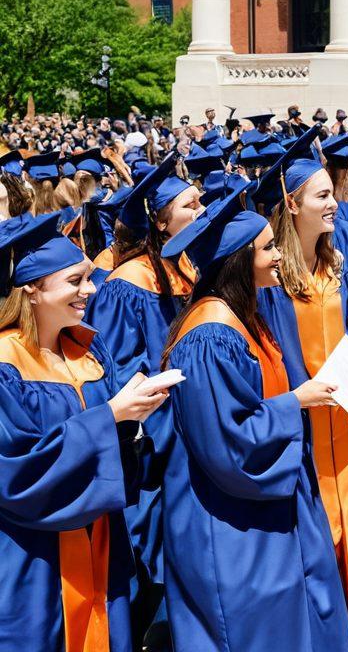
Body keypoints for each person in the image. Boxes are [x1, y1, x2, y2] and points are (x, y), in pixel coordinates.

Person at [159, 189, 348, 651]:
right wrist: (294, 403)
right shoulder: (209, 337)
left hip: (265, 498)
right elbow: (227, 441)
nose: (280, 255)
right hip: (228, 517)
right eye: (268, 248)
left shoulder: (246, 317)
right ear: (237, 263)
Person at [0, 212, 170, 652]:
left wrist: (137, 408)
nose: (90, 290)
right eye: (76, 281)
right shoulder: (6, 365)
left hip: (101, 538)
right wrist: (110, 415)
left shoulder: (89, 349)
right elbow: (16, 470)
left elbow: (115, 439)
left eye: (90, 278)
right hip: (35, 553)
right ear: (33, 289)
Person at [253, 128, 348, 646]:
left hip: (342, 418)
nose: (336, 203)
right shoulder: (272, 278)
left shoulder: (337, 261)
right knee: (316, 531)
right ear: (291, 202)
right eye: (323, 196)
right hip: (301, 428)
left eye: (334, 193)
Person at [85, 153, 202, 650]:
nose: (201, 210)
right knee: (148, 555)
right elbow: (117, 367)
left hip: (191, 432)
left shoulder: (184, 269)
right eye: (190, 205)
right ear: (160, 220)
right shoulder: (127, 285)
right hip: (155, 443)